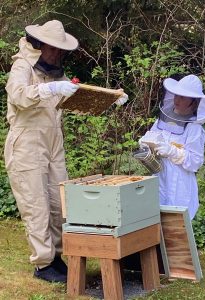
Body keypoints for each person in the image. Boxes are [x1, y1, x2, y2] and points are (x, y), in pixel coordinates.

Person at [4, 19, 128, 283]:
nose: (58, 54)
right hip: (26, 145)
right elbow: (18, 96)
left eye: (61, 50)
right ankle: (43, 264)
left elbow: (72, 100)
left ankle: (57, 257)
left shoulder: (54, 72)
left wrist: (111, 97)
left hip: (53, 145)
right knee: (36, 206)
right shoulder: (22, 65)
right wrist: (50, 88)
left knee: (59, 204)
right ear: (41, 45)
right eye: (55, 49)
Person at [139, 74, 205, 220]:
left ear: (194, 102)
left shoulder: (194, 128)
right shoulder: (162, 120)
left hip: (180, 185)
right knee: (156, 229)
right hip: (159, 178)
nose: (177, 100)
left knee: (177, 233)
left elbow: (195, 162)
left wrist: (173, 151)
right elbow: (153, 138)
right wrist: (145, 144)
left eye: (183, 97)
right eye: (177, 95)